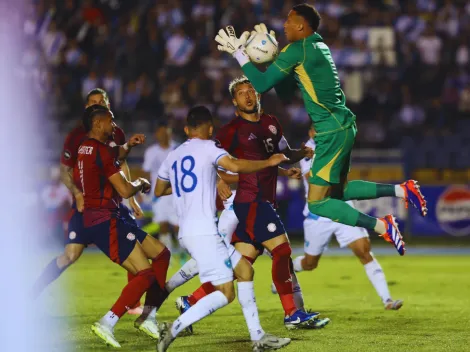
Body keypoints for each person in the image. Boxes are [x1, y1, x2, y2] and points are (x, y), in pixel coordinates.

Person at [215, 5, 428, 256]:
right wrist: (273, 59)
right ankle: (403, 190)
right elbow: (287, 93)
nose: (284, 25)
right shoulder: (317, 46)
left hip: (330, 132)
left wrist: (241, 53)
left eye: (289, 21)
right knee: (339, 190)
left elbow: (260, 84)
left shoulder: (297, 50)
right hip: (342, 126)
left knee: (318, 203)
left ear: (301, 26)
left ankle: (383, 225)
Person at [173, 77, 329, 330]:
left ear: (258, 96)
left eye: (250, 91)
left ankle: (190, 301)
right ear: (234, 101)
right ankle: (292, 313)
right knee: (282, 251)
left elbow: (282, 153)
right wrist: (217, 181)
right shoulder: (231, 131)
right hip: (251, 201)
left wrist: (300, 154)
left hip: (264, 201)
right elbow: (204, 157)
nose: (247, 96)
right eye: (241, 93)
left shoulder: (271, 123)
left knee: (241, 266)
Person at [155, 105, 291, 352]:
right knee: (226, 293)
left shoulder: (172, 155)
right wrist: (269, 162)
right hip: (205, 232)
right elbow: (237, 167)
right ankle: (174, 327)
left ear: (187, 129)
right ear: (209, 128)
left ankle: (258, 337)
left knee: (245, 271)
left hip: (189, 231)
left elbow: (158, 190)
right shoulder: (209, 148)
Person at [33, 88, 146, 315]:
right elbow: (65, 171)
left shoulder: (115, 133)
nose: (97, 105)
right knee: (70, 255)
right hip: (85, 207)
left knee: (137, 252)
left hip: (111, 207)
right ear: (87, 109)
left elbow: (120, 164)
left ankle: (135, 305)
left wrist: (131, 199)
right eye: (93, 102)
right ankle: (32, 293)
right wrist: (77, 193)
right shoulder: (76, 136)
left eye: (101, 102)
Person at [272, 125, 403, 310]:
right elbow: (313, 179)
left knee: (364, 251)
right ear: (311, 133)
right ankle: (283, 275)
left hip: (341, 206)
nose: (321, 133)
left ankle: (387, 300)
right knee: (310, 263)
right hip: (319, 213)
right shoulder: (307, 151)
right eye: (316, 130)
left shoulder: (334, 145)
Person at [77, 105, 171, 348]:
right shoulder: (101, 152)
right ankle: (107, 322)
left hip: (105, 217)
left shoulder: (86, 148)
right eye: (110, 121)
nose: (114, 126)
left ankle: (148, 316)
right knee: (145, 273)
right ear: (97, 124)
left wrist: (128, 146)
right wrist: (141, 182)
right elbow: (126, 189)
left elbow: (112, 154)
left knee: (161, 253)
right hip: (105, 220)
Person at [142, 122, 179, 254]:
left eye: (165, 132)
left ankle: (182, 251)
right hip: (158, 194)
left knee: (177, 225)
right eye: (160, 133)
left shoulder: (178, 149)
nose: (163, 135)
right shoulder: (151, 152)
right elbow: (146, 172)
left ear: (170, 133)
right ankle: (167, 253)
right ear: (157, 134)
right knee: (162, 224)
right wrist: (145, 191)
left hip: (176, 193)